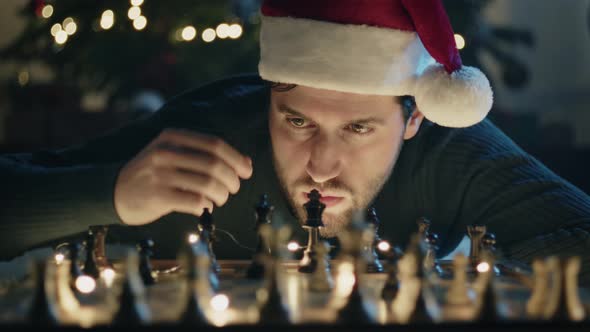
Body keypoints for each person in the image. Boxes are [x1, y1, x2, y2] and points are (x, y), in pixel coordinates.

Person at [1, 0, 590, 284]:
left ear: (415, 121)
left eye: (359, 128)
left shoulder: (451, 149)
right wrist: (111, 193)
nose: (321, 166)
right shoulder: (212, 135)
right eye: (297, 122)